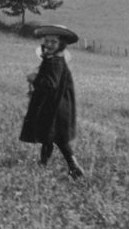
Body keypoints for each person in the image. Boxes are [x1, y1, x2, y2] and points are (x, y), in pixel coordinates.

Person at [19, 24, 84, 179]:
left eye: (53, 42)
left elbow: (50, 84)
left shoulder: (55, 62)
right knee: (48, 135)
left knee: (58, 138)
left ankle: (74, 166)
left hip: (56, 105)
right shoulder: (52, 59)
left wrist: (34, 79)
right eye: (47, 41)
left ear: (61, 44)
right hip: (52, 103)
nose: (48, 44)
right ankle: (44, 163)